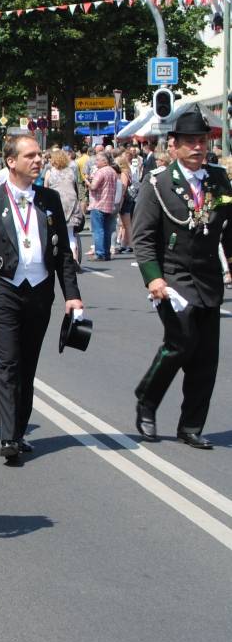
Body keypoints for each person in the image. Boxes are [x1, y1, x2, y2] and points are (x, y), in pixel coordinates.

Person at [0, 135, 83, 462]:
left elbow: (62, 256)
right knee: (7, 363)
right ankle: (8, 437)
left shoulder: (49, 200)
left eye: (39, 155)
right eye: (29, 155)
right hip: (2, 291)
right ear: (10, 162)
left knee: (27, 365)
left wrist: (72, 296)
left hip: (39, 292)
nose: (37, 160)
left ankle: (19, 428)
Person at [131, 108, 232, 449]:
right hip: (173, 278)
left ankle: (191, 426)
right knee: (179, 344)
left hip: (208, 279)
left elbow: (227, 230)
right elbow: (143, 237)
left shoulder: (218, 179)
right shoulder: (158, 182)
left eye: (202, 141)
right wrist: (153, 279)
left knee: (206, 357)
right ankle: (147, 400)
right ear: (172, 145)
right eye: (190, 142)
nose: (198, 148)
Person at [43, 149, 84, 263]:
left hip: (56, 202)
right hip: (71, 202)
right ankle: (74, 258)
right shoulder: (71, 171)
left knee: (54, 230)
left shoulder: (50, 172)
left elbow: (46, 189)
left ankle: (55, 256)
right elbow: (75, 186)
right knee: (70, 234)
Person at [87, 151, 118, 262]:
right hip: (109, 204)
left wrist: (87, 182)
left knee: (98, 230)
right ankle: (106, 253)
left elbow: (94, 186)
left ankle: (100, 253)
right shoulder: (113, 172)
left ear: (104, 161)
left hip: (98, 203)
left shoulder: (101, 172)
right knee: (107, 230)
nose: (96, 162)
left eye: (98, 160)